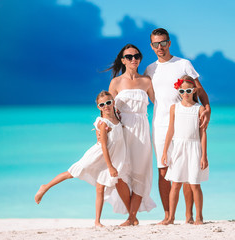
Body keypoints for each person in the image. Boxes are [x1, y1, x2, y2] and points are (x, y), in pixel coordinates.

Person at [34, 91, 131, 227]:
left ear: (113, 102)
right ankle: (45, 187)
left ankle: (97, 221)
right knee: (72, 173)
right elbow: (103, 146)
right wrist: (110, 166)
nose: (106, 106)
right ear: (98, 107)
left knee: (100, 188)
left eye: (108, 103)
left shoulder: (117, 118)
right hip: (97, 156)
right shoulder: (103, 123)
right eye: (102, 104)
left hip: (109, 158)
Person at [144, 28, 211, 224]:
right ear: (151, 46)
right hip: (160, 125)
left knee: (188, 169)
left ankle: (189, 216)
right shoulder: (150, 69)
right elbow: (143, 94)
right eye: (156, 44)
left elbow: (199, 90)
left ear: (169, 43)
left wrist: (207, 110)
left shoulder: (183, 64)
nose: (160, 47)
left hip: (185, 123)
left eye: (163, 43)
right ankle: (168, 216)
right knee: (164, 170)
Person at [107, 44, 156, 226]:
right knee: (119, 174)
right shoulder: (116, 82)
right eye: (129, 56)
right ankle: (132, 216)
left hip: (142, 130)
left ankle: (131, 218)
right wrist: (103, 130)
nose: (133, 59)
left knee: (140, 173)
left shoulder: (147, 80)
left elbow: (160, 103)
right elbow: (107, 109)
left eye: (136, 55)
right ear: (123, 60)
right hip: (122, 130)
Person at [161, 76, 209, 225]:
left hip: (194, 148)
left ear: (194, 90)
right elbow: (170, 130)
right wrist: (165, 151)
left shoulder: (199, 109)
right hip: (178, 148)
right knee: (175, 183)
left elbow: (202, 133)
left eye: (189, 90)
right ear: (178, 91)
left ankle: (199, 217)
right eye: (182, 91)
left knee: (194, 184)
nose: (185, 93)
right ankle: (171, 218)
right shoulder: (174, 108)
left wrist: (204, 156)